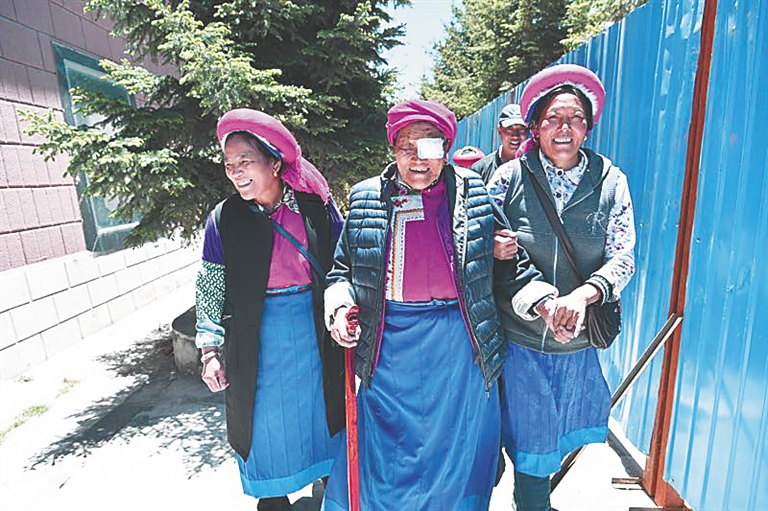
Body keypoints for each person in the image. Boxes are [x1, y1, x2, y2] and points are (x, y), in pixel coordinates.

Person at [320, 99, 541, 511]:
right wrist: (339, 306)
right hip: (389, 349)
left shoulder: (474, 191)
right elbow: (341, 271)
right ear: (393, 150)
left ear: (445, 150)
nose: (419, 159)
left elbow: (512, 260)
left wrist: (532, 290)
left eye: (430, 147)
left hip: (459, 349)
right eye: (407, 147)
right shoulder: (366, 197)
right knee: (386, 457)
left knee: (456, 457)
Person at [487, 64, 636, 511]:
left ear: (588, 128)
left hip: (574, 344)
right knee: (529, 448)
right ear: (535, 127)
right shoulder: (508, 178)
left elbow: (624, 256)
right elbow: (477, 244)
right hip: (518, 340)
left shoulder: (611, 181)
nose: (565, 128)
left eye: (576, 119)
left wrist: (582, 296)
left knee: (548, 444)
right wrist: (497, 253)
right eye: (553, 118)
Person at [195, 108, 345, 511]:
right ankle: (274, 501)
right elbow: (210, 286)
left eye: (245, 161)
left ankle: (332, 495)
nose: (235, 172)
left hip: (316, 335)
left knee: (326, 418)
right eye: (229, 164)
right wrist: (209, 351)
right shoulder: (223, 219)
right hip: (255, 344)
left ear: (275, 163)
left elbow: (343, 261)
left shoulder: (314, 207)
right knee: (261, 430)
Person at [472, 103, 529, 183]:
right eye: (509, 129)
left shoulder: (535, 169)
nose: (515, 135)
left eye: (521, 129)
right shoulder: (480, 170)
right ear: (499, 130)